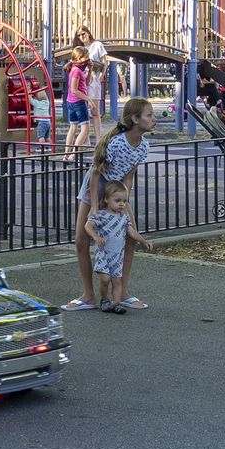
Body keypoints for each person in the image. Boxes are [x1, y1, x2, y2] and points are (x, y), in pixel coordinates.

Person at [63, 97, 155, 313]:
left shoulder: (143, 146)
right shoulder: (116, 142)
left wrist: (125, 199)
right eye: (149, 115)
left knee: (131, 236)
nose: (154, 119)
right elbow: (96, 173)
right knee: (81, 239)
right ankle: (88, 295)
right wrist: (94, 207)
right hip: (95, 187)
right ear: (135, 118)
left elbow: (130, 175)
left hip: (118, 189)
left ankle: (122, 292)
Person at [85, 180, 153, 313]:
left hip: (117, 255)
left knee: (117, 281)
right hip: (103, 254)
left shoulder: (123, 218)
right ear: (106, 199)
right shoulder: (101, 215)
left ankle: (116, 303)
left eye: (124, 201)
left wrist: (143, 241)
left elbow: (131, 231)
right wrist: (95, 237)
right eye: (117, 200)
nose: (122, 204)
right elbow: (88, 226)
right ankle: (104, 299)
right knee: (105, 279)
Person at [63, 48, 92, 154]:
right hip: (78, 102)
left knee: (73, 127)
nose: (88, 58)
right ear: (79, 58)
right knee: (85, 130)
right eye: (86, 56)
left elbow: (87, 83)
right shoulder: (76, 71)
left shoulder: (77, 70)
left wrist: (90, 70)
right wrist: (89, 99)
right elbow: (74, 90)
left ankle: (66, 154)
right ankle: (73, 155)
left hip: (71, 102)